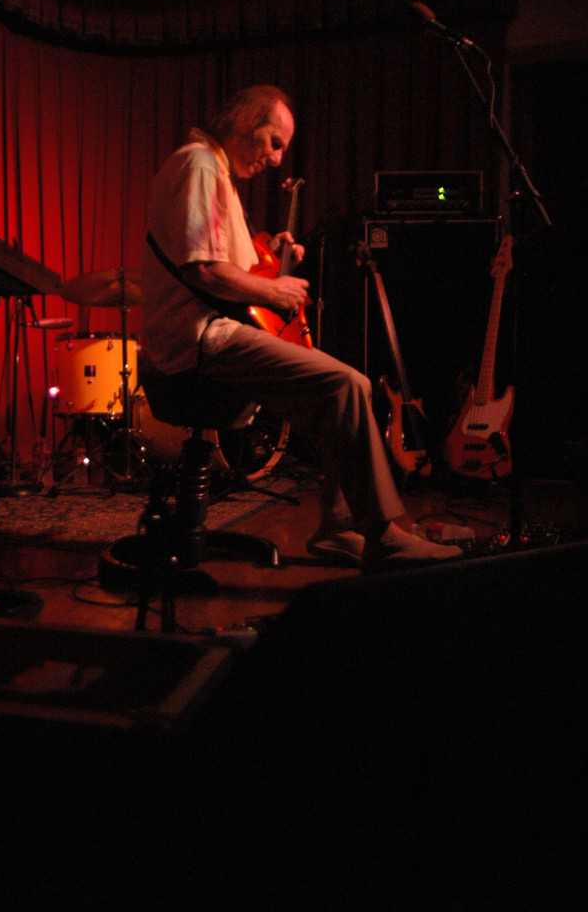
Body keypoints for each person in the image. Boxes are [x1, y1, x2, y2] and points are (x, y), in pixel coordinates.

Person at [141, 85, 461, 570]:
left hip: (210, 334)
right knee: (345, 386)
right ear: (246, 122)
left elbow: (222, 262)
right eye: (274, 142)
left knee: (344, 392)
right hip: (201, 340)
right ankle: (381, 535)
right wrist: (275, 291)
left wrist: (269, 250)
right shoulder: (200, 165)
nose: (275, 159)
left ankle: (339, 528)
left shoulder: (211, 169)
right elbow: (202, 270)